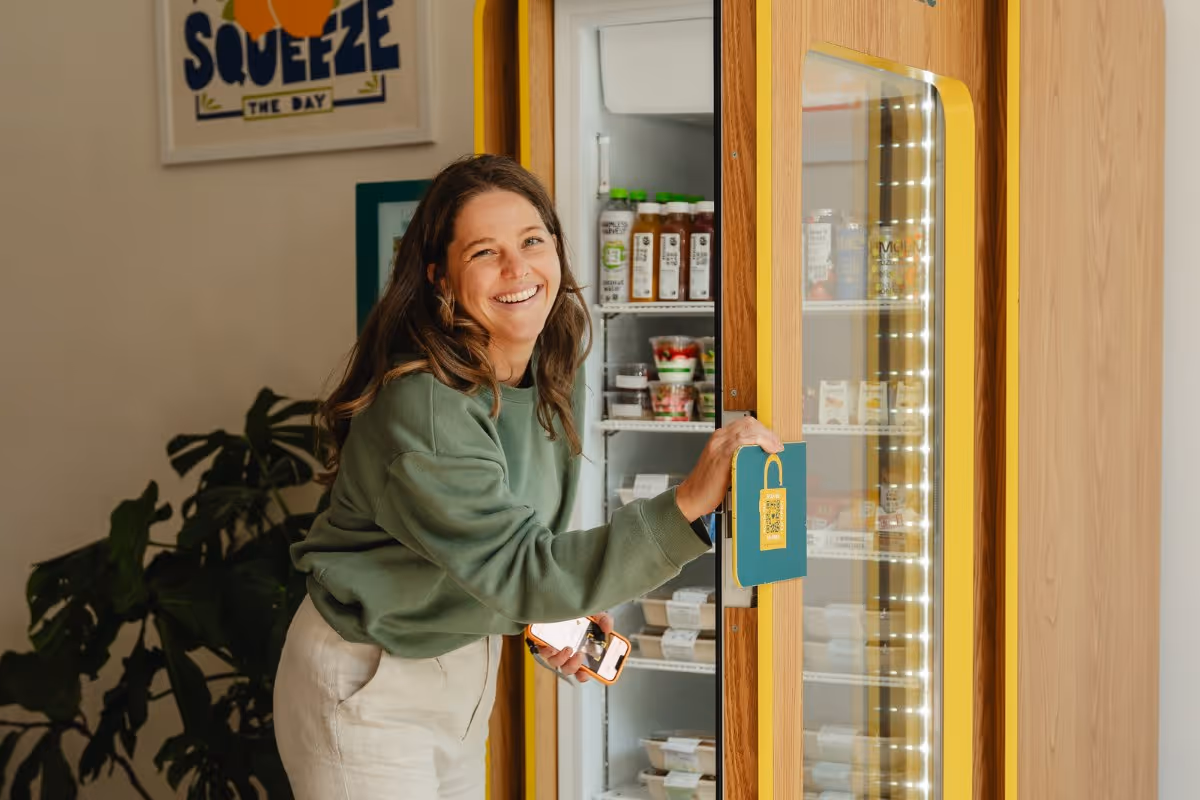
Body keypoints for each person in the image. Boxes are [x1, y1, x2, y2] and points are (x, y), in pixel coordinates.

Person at [272, 154, 782, 800]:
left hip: (459, 665)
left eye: (532, 241)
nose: (518, 269)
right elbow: (518, 568)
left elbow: (502, 550)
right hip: (370, 677)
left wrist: (549, 616)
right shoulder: (424, 408)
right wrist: (686, 504)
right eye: (486, 252)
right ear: (440, 279)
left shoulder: (544, 375)